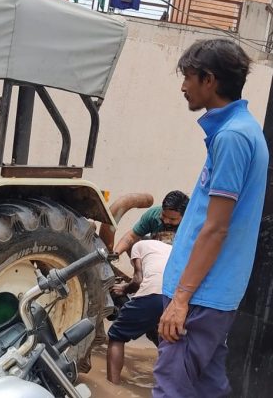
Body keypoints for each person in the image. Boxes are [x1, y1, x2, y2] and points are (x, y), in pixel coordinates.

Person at [153, 39, 268, 397]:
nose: (183, 86)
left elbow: (216, 228)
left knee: (170, 387)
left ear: (209, 79)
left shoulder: (233, 137)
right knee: (207, 387)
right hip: (210, 294)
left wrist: (181, 299)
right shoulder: (241, 130)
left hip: (202, 295)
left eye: (188, 76)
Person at [107, 230, 175, 384]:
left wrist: (124, 289)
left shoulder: (140, 245)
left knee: (116, 335)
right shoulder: (173, 250)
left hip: (153, 296)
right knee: (167, 342)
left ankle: (112, 385)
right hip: (174, 300)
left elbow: (138, 280)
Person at [112, 190, 189, 257]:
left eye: (172, 219)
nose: (166, 221)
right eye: (164, 215)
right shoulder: (153, 215)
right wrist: (115, 254)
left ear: (185, 216)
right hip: (155, 251)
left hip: (179, 256)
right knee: (134, 243)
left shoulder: (192, 225)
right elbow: (131, 237)